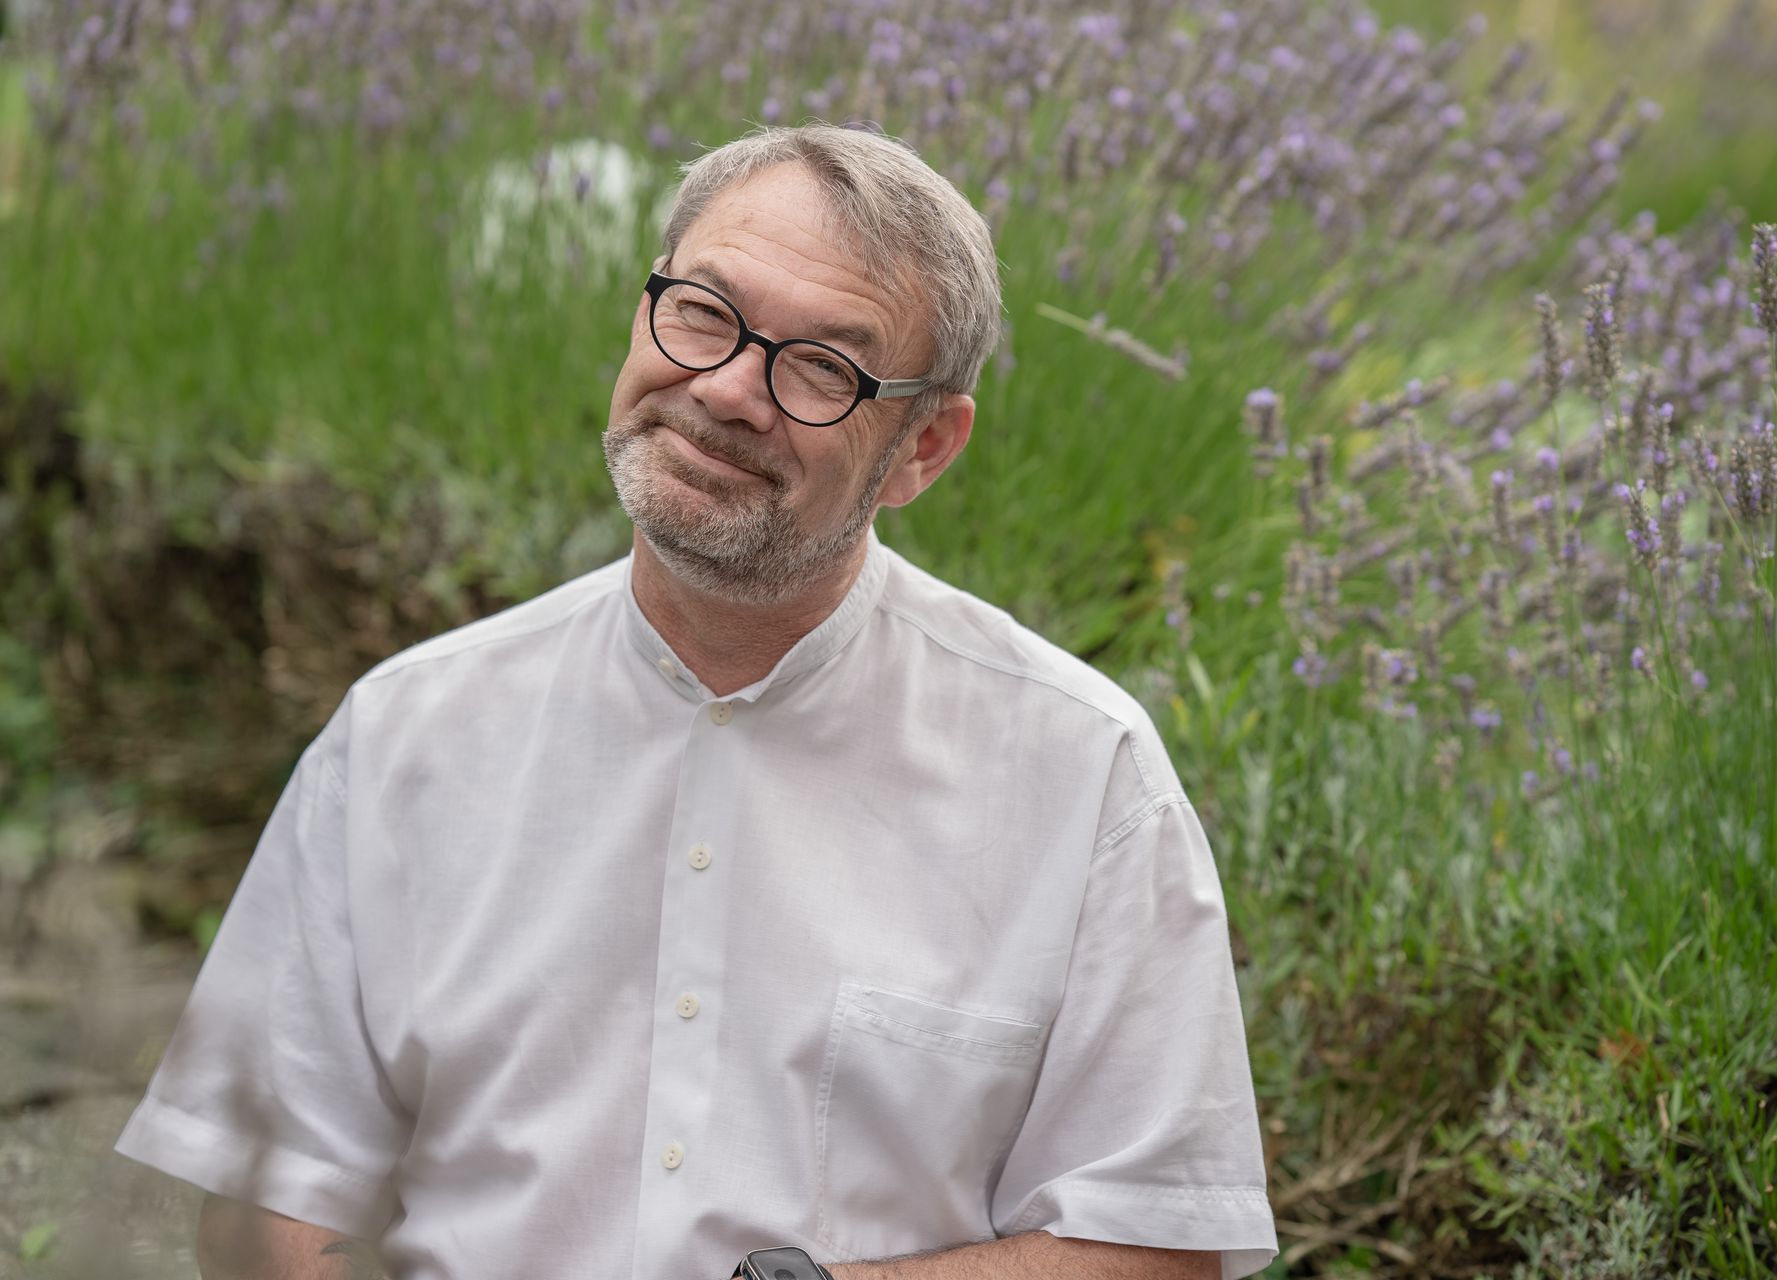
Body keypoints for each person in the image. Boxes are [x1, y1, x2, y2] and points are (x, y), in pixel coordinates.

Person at [116, 123, 1280, 1280]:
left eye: (824, 366)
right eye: (703, 312)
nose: (726, 390)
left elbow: (1151, 1246)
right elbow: (270, 1193)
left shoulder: (1082, 775)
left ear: (925, 446)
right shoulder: (407, 735)